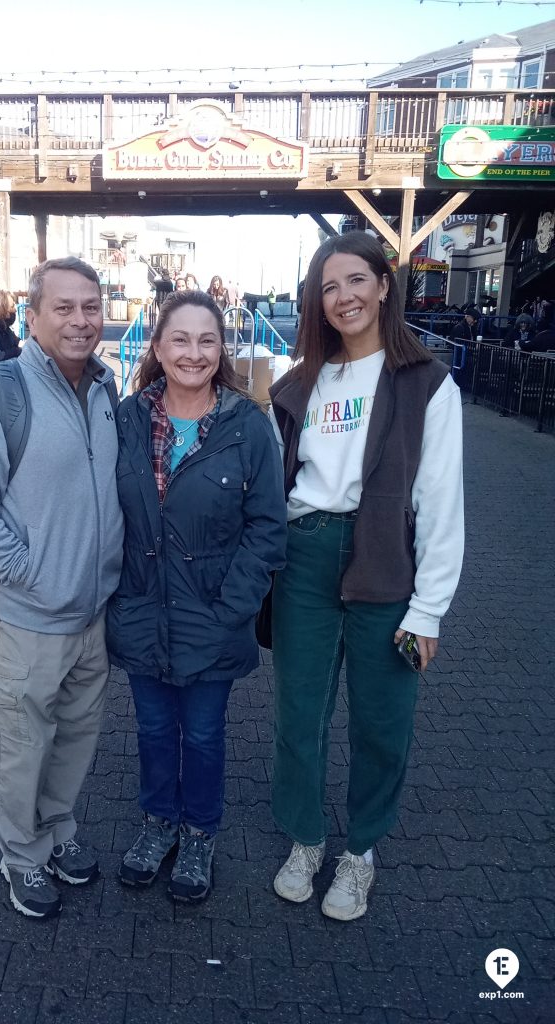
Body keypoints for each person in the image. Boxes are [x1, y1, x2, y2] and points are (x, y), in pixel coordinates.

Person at [269, 231, 464, 922]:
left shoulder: (427, 384)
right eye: (329, 287)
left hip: (387, 561)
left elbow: (441, 501)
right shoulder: (297, 385)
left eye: (356, 281)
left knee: (383, 722)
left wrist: (429, 609)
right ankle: (306, 840)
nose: (344, 297)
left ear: (385, 284)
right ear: (317, 303)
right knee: (299, 715)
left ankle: (361, 855)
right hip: (307, 556)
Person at [0, 257, 123, 919]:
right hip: (26, 616)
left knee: (76, 739)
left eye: (90, 306)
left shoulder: (107, 388)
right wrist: (30, 574)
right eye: (64, 307)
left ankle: (60, 834)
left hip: (91, 615)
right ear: (34, 314)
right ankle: (22, 857)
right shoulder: (3, 391)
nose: (80, 320)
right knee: (24, 746)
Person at [107, 290, 286, 903]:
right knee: (155, 730)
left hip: (214, 618)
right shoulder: (126, 418)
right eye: (179, 339)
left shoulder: (246, 426)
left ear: (222, 349)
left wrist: (232, 607)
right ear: (157, 348)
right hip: (141, 612)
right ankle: (159, 824)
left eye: (207, 340)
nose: (193, 352)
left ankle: (200, 833)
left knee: (205, 734)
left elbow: (268, 526)